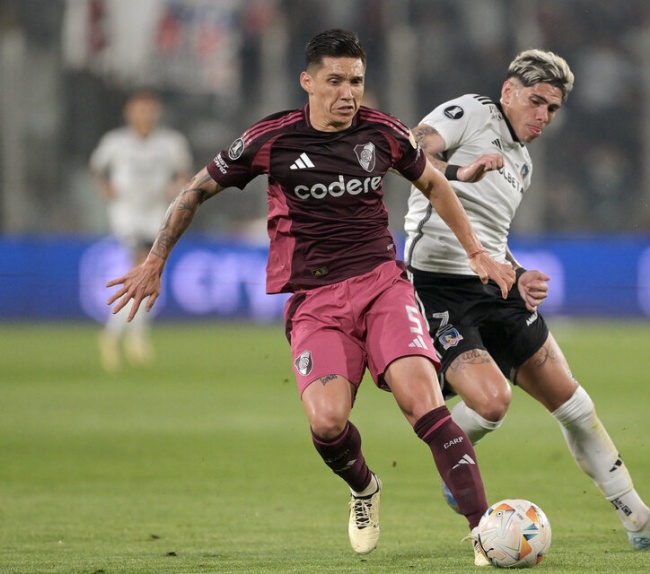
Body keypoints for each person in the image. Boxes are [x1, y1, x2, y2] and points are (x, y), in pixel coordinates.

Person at [105, 29, 515, 565]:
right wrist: (156, 259)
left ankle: (483, 532)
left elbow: (435, 184)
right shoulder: (269, 139)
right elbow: (195, 190)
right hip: (316, 300)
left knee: (424, 402)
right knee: (327, 423)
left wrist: (478, 253)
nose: (349, 93)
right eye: (336, 81)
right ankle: (365, 488)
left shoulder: (384, 132)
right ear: (308, 82)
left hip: (382, 286)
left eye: (357, 81)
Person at [404, 49, 650, 551]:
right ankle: (455, 459)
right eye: (536, 101)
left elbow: (492, 235)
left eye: (553, 109)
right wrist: (461, 173)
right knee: (492, 403)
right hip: (437, 285)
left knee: (574, 402)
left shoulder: (521, 163)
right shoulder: (471, 112)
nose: (543, 116)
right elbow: (410, 150)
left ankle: (638, 519)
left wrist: (518, 275)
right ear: (508, 91)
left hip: (493, 282)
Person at [90, 90, 193, 373]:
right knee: (142, 266)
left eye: (149, 109)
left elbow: (184, 172)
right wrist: (106, 188)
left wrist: (177, 188)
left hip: (156, 214)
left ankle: (122, 336)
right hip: (127, 214)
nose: (145, 115)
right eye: (139, 109)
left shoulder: (171, 142)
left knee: (148, 272)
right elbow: (98, 169)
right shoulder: (116, 142)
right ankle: (125, 337)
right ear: (129, 112)